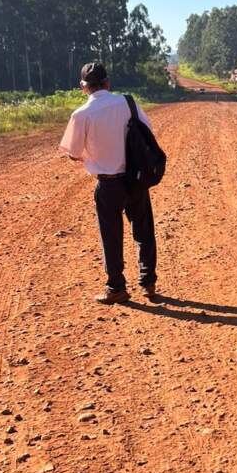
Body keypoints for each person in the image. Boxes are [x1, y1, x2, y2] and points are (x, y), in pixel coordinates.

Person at [59, 62, 159, 304]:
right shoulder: (128, 102)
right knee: (144, 230)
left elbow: (72, 152)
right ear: (107, 82)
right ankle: (148, 283)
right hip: (135, 179)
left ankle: (116, 287)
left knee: (111, 237)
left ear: (83, 87)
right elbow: (148, 132)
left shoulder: (81, 115)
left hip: (108, 184)